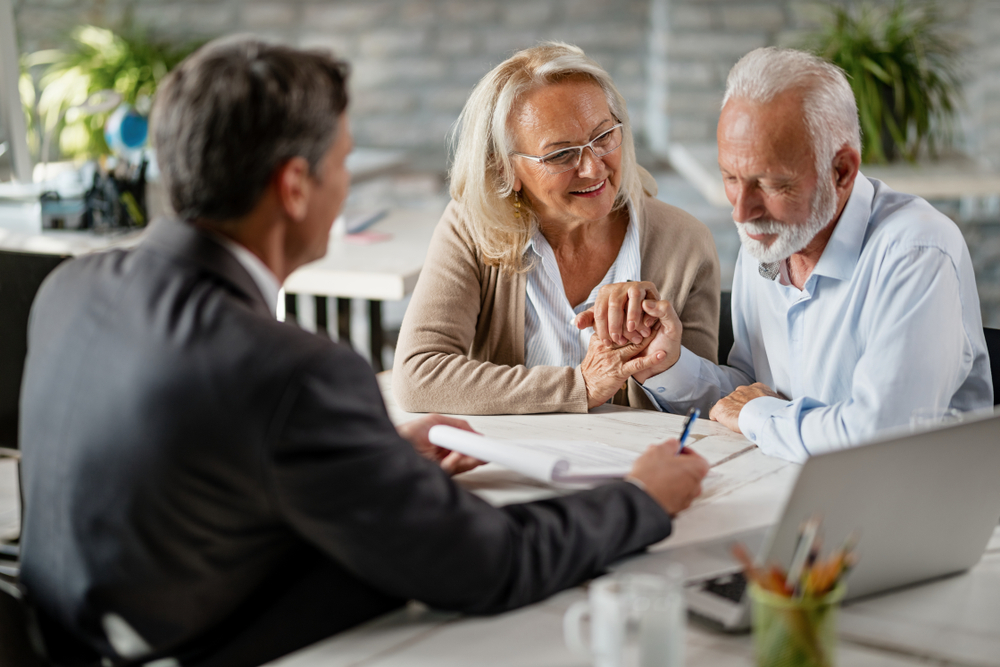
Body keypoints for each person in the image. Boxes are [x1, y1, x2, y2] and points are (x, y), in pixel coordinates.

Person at [18, 38, 709, 667]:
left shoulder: (69, 290)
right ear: (295, 187)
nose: (347, 185)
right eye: (343, 161)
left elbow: (183, 480)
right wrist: (639, 499)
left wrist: (365, 459)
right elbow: (490, 563)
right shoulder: (296, 375)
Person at [585, 47, 993, 463]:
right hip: (786, 485)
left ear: (842, 171)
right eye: (731, 177)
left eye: (771, 184)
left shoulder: (916, 252)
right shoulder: (769, 237)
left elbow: (881, 440)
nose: (742, 212)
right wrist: (664, 362)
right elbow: (751, 392)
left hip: (906, 497)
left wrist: (758, 414)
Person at [392, 42, 720, 415]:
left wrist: (665, 363)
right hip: (509, 450)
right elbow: (418, 376)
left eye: (603, 137)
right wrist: (580, 386)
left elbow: (707, 410)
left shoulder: (685, 242)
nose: (593, 168)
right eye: (561, 154)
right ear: (505, 169)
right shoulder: (473, 227)